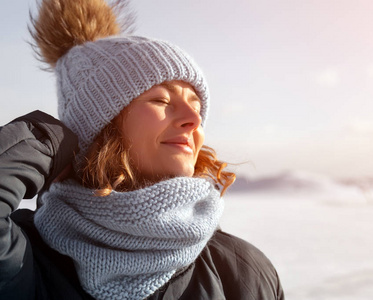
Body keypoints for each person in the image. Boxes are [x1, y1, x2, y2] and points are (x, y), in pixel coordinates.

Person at [0, 0, 284, 299]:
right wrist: (49, 138)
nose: (194, 119)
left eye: (197, 105)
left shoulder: (244, 272)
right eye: (162, 101)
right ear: (100, 128)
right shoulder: (27, 258)